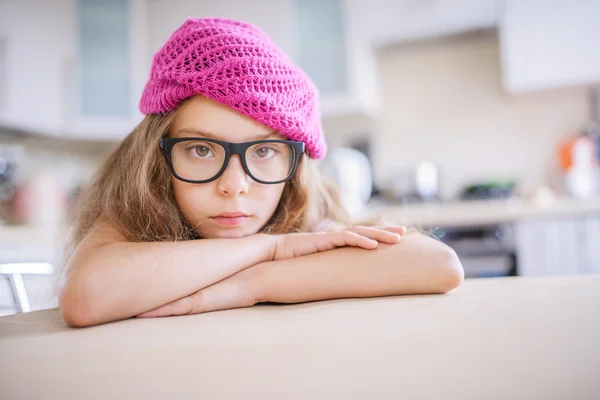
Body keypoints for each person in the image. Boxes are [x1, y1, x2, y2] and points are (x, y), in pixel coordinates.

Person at [57, 18, 463, 327]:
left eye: (266, 150)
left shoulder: (299, 216)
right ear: (156, 157)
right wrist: (269, 248)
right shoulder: (136, 213)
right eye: (201, 149)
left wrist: (254, 283)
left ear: (296, 166)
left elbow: (439, 265)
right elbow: (85, 295)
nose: (234, 187)